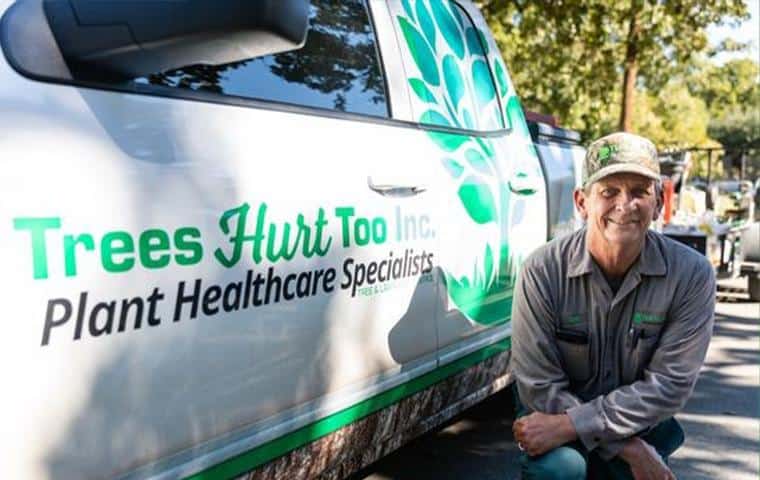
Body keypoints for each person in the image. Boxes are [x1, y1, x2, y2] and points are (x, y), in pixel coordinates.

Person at [510, 132, 715, 480]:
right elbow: (539, 385)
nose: (625, 204)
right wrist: (628, 449)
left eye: (639, 192)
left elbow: (668, 386)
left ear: (658, 202)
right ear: (581, 202)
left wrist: (578, 426)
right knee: (562, 470)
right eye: (609, 192)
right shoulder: (541, 271)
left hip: (638, 421)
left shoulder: (692, 276)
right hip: (554, 414)